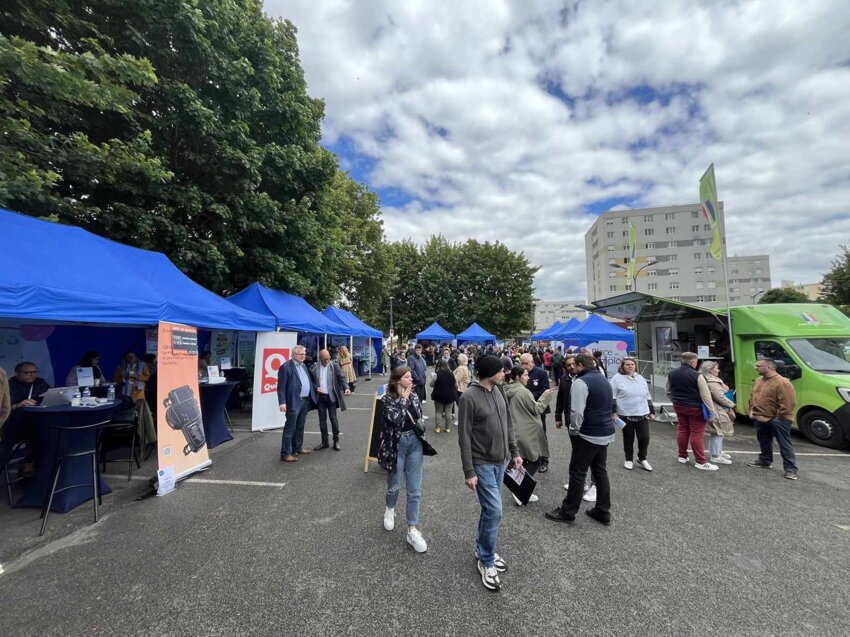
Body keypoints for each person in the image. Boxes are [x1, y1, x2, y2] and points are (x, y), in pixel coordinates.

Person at [457, 355, 522, 592]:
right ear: (489, 373)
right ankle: (486, 560)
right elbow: (463, 437)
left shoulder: (499, 391)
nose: (504, 373)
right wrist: (468, 470)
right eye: (500, 371)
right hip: (481, 463)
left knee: (489, 510)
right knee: (495, 510)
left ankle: (483, 548)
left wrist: (514, 452)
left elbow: (508, 423)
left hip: (502, 460)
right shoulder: (469, 398)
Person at [545, 354, 614, 525]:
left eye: (574, 365)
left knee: (577, 472)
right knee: (600, 471)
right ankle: (603, 510)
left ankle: (568, 511)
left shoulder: (580, 382)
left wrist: (574, 430)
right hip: (604, 432)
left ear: (580, 365)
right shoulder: (604, 379)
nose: (572, 368)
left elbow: (576, 412)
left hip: (588, 433)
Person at [378, 365, 436, 553]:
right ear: (397, 380)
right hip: (396, 445)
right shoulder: (387, 399)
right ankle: (390, 508)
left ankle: (412, 528)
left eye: (411, 377)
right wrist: (403, 399)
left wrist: (410, 401)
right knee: (394, 485)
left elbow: (417, 417)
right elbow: (395, 418)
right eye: (407, 377)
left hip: (414, 443)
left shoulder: (415, 396)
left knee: (414, 489)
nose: (411, 380)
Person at [504, 365, 557, 506]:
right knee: (535, 460)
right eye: (526, 375)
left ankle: (519, 489)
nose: (528, 377)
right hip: (528, 432)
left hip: (516, 430)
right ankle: (519, 490)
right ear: (517, 377)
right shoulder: (523, 392)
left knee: (523, 460)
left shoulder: (508, 389)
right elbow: (537, 409)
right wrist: (546, 396)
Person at [747, 359, 799, 480]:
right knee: (764, 440)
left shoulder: (782, 382)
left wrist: (778, 417)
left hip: (778, 419)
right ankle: (765, 461)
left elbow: (788, 403)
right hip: (760, 417)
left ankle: (791, 469)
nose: (756, 368)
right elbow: (752, 396)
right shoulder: (759, 380)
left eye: (758, 366)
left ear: (769, 367)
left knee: (784, 445)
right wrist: (752, 410)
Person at [667, 352, 717, 471]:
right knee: (697, 434)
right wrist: (712, 411)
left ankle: (682, 456)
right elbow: (705, 396)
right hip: (695, 408)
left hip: (678, 405)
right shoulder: (697, 375)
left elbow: (667, 390)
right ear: (693, 362)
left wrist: (675, 400)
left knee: (683, 430)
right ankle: (700, 461)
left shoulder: (671, 373)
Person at [2, 362, 51, 475]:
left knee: (48, 437)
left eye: (34, 372)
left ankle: (33, 468)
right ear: (16, 373)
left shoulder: (40, 383)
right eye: (27, 373)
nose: (31, 375)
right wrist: (17, 405)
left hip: (36, 424)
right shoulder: (7, 386)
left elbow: (51, 395)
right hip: (12, 427)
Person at [610, 357, 655, 471]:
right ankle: (628, 459)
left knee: (644, 437)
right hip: (625, 413)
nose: (630, 366)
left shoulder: (640, 378)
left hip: (642, 412)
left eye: (632, 364)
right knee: (628, 438)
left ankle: (642, 458)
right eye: (627, 364)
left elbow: (647, 395)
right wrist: (613, 412)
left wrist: (652, 411)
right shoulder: (617, 378)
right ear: (622, 366)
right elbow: (613, 396)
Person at [277, 345, 317, 462]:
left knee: (300, 426)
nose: (303, 356)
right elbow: (281, 387)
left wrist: (315, 388)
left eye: (304, 354)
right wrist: (282, 402)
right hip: (293, 401)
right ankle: (285, 453)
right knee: (290, 428)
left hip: (304, 401)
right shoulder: (285, 367)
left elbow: (307, 381)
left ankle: (297, 447)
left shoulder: (303, 366)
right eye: (300, 354)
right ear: (294, 355)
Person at [311, 349, 351, 451]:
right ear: (320, 358)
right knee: (322, 421)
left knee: (333, 419)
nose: (327, 360)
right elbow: (311, 382)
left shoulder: (334, 366)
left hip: (331, 397)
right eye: (324, 359)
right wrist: (316, 388)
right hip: (320, 398)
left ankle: (336, 441)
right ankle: (324, 442)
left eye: (328, 358)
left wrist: (346, 388)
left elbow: (342, 378)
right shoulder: (315, 367)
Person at [698, 361, 736, 465]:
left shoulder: (709, 379)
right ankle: (716, 455)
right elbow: (719, 397)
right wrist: (732, 404)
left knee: (717, 432)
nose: (718, 370)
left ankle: (717, 451)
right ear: (710, 370)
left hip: (717, 408)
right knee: (718, 432)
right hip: (717, 409)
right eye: (716, 368)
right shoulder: (712, 382)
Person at [520, 353, 551, 472]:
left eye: (526, 363)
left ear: (532, 362)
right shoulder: (520, 372)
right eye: (522, 363)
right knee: (525, 434)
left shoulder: (541, 373)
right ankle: (527, 458)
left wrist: (528, 397)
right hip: (524, 408)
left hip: (538, 407)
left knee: (541, 434)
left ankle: (544, 460)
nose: (524, 366)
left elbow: (545, 390)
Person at [430, 360, 457, 433]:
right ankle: (448, 428)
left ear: (440, 366)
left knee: (438, 412)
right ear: (448, 366)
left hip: (439, 395)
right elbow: (456, 385)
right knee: (448, 412)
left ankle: (438, 428)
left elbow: (431, 385)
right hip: (450, 395)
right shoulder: (452, 374)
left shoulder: (436, 374)